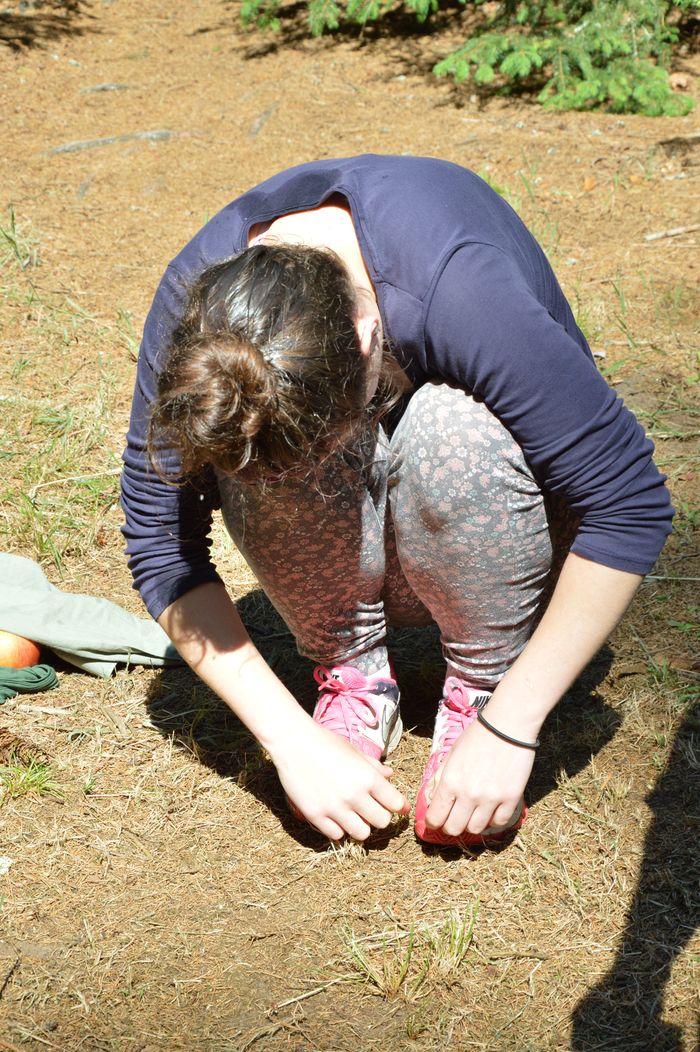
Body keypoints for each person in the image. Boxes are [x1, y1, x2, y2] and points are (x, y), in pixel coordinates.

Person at [121, 154, 673, 847]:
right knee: (254, 431)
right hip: (346, 560)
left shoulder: (460, 287)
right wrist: (290, 741)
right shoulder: (203, 314)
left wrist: (511, 726)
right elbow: (160, 541)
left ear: (366, 335)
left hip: (498, 528)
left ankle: (484, 683)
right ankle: (354, 676)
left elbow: (629, 502)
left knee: (450, 424)